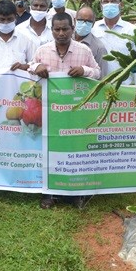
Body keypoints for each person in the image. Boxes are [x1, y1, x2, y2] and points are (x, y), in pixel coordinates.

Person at [30, 13, 101, 210]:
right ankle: (49, 193)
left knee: (75, 150)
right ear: (51, 30)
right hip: (50, 112)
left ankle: (77, 193)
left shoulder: (83, 51)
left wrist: (84, 71)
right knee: (49, 150)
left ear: (73, 28)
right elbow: (30, 67)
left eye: (65, 29)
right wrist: (37, 67)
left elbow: (97, 72)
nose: (61, 33)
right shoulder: (42, 50)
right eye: (57, 29)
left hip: (76, 111)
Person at [92, 0, 136, 84]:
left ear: (121, 5)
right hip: (97, 86)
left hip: (124, 88)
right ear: (101, 5)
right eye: (106, 1)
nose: (109, 4)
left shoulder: (132, 30)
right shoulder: (93, 28)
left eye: (113, 1)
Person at [74, 6, 110, 79]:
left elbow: (102, 77)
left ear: (93, 24)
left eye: (88, 21)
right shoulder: (65, 39)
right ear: (75, 20)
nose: (84, 24)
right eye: (81, 20)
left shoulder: (99, 48)